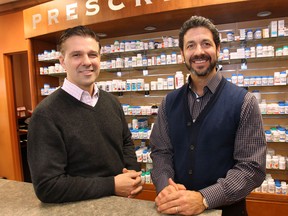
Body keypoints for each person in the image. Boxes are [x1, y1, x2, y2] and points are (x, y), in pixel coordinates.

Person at [150, 16, 266, 216]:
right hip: (176, 209)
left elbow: (251, 168)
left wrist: (205, 198)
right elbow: (161, 153)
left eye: (206, 44)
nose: (199, 52)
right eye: (190, 46)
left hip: (228, 212)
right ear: (182, 54)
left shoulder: (244, 102)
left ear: (218, 49)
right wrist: (165, 186)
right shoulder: (168, 103)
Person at [27, 26, 142, 203]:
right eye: (76, 55)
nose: (87, 62)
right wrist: (111, 185)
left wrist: (131, 174)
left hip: (120, 204)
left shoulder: (111, 102)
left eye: (92, 54)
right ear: (62, 61)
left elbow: (126, 142)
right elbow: (47, 187)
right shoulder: (46, 115)